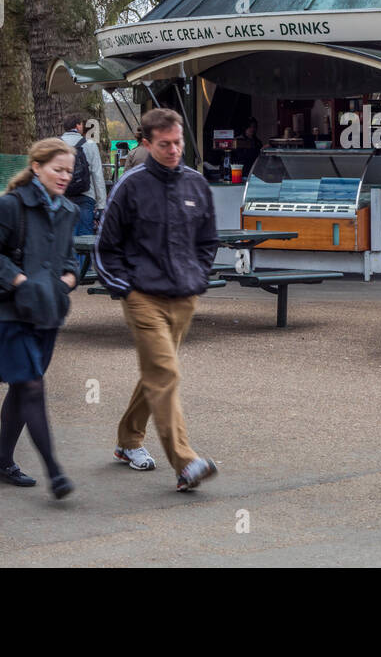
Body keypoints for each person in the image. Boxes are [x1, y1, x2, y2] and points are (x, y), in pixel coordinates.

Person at [94, 108, 220, 491]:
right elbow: (105, 246)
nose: (174, 150)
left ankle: (127, 440)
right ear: (146, 144)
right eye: (164, 144)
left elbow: (208, 240)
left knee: (156, 373)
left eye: (178, 142)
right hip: (142, 297)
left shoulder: (196, 184)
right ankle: (185, 463)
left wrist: (199, 276)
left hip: (184, 297)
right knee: (166, 373)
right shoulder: (130, 186)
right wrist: (126, 289)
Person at [0, 138, 79, 500]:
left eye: (69, 171)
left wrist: (66, 282)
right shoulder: (8, 206)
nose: (65, 176)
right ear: (36, 167)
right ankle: (55, 472)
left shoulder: (68, 211)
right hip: (6, 313)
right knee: (31, 385)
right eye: (57, 169)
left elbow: (70, 262)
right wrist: (20, 282)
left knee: (22, 387)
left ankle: (2, 461)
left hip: (46, 312)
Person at [59, 113, 107, 272]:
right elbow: (97, 174)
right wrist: (101, 203)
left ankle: (68, 268)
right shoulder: (89, 144)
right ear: (78, 125)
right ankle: (84, 270)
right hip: (86, 195)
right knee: (85, 233)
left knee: (66, 231)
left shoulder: (56, 144)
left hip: (62, 195)